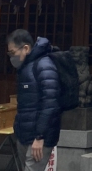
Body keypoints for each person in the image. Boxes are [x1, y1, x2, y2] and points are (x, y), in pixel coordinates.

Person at [9, 29, 61, 171]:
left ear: (26, 48)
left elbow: (50, 104)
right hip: (24, 134)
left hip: (38, 138)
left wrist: (40, 136)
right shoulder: (25, 67)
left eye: (13, 52)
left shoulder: (44, 65)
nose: (11, 57)